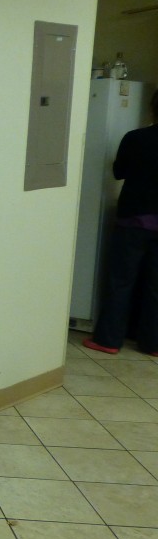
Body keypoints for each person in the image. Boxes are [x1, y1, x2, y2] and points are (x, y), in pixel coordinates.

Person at [83, 88, 158, 356]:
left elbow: (119, 172)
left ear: (153, 108)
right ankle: (152, 343)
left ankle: (108, 339)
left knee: (121, 281)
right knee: (155, 286)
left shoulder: (136, 138)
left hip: (134, 221)